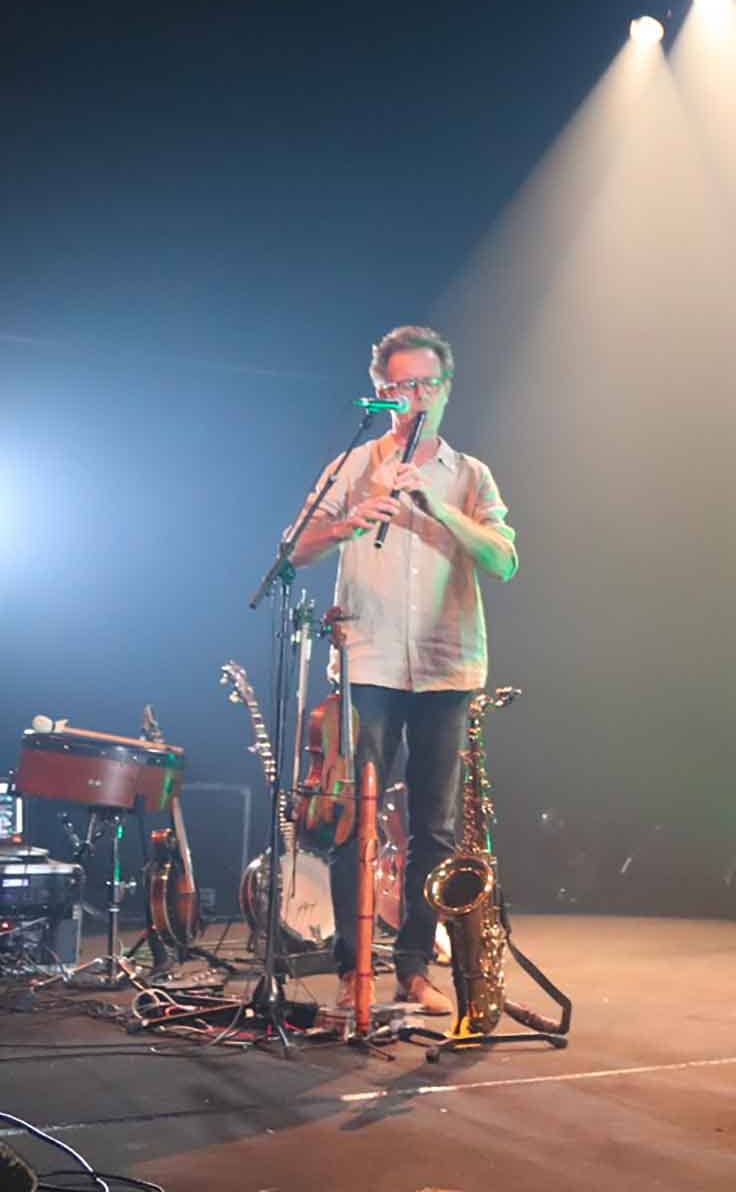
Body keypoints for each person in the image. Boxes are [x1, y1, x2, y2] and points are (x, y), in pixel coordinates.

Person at [291, 326, 518, 1017]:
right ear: (382, 392)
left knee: (435, 829)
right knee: (352, 820)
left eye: (426, 385)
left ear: (445, 390)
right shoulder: (353, 463)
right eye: (400, 387)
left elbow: (505, 560)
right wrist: (353, 519)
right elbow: (294, 548)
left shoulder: (470, 475)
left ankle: (415, 968)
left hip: (448, 668)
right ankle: (351, 972)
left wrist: (438, 508)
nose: (414, 398)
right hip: (371, 660)